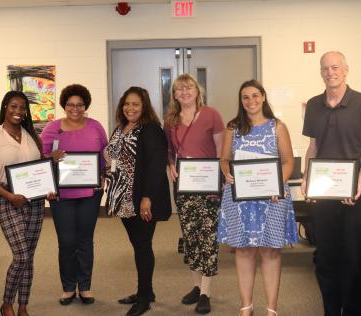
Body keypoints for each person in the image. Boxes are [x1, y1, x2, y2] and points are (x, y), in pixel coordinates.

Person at [301, 51, 361, 316]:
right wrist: (306, 178)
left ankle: (353, 311)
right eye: (325, 68)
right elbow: (312, 147)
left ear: (346, 70)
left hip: (355, 194)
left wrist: (358, 182)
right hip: (324, 195)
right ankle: (331, 310)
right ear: (320, 72)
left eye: (335, 67)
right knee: (325, 259)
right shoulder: (313, 105)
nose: (330, 72)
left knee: (353, 259)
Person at [217, 79, 299, 316]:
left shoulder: (277, 127)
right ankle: (246, 307)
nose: (250, 101)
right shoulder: (232, 127)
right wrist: (227, 172)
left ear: (263, 97)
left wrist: (277, 184)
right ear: (241, 101)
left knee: (270, 252)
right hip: (240, 198)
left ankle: (271, 309)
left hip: (272, 197)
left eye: (255, 95)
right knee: (243, 250)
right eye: (245, 97)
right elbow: (224, 159)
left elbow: (288, 162)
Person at [0, 91, 55, 316]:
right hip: (8, 199)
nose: (18, 111)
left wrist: (49, 188)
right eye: (13, 106)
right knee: (21, 255)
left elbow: (40, 169)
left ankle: (23, 304)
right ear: (5, 107)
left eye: (22, 108)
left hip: (34, 201)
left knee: (29, 256)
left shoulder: (32, 134)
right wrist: (10, 196)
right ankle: (6, 303)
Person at [105, 86, 171, 316]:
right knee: (138, 245)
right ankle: (146, 291)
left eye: (135, 104)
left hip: (141, 199)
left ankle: (144, 298)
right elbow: (112, 159)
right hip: (122, 198)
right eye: (126, 103)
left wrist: (147, 198)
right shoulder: (121, 128)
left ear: (144, 107)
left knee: (143, 246)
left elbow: (155, 167)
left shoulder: (151, 129)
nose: (130, 108)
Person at [40, 84, 108, 305]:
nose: (75, 109)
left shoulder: (96, 127)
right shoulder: (52, 129)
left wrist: (103, 177)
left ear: (85, 105)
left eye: (80, 105)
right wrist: (52, 158)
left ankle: (85, 286)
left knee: (85, 240)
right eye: (70, 104)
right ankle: (68, 287)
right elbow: (40, 160)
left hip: (90, 192)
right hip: (62, 196)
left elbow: (105, 157)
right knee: (67, 242)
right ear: (64, 105)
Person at [164, 74, 224, 314]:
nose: (185, 92)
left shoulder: (212, 115)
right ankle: (196, 287)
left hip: (208, 185)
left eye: (189, 88)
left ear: (198, 91)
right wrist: (170, 165)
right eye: (179, 89)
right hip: (184, 186)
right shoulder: (170, 120)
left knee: (207, 236)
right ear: (175, 95)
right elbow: (169, 150)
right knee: (191, 237)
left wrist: (219, 183)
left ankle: (207, 292)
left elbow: (221, 151)